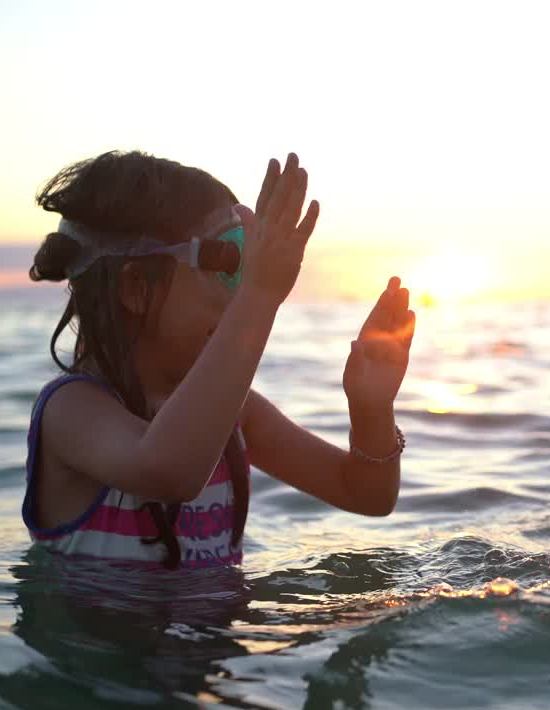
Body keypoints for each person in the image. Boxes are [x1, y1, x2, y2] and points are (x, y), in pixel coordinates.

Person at [23, 151, 415, 569]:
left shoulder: (236, 416)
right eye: (230, 266)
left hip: (216, 629)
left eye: (250, 270)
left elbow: (367, 496)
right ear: (136, 289)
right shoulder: (72, 412)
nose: (239, 295)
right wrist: (261, 295)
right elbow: (172, 471)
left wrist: (371, 410)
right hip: (103, 634)